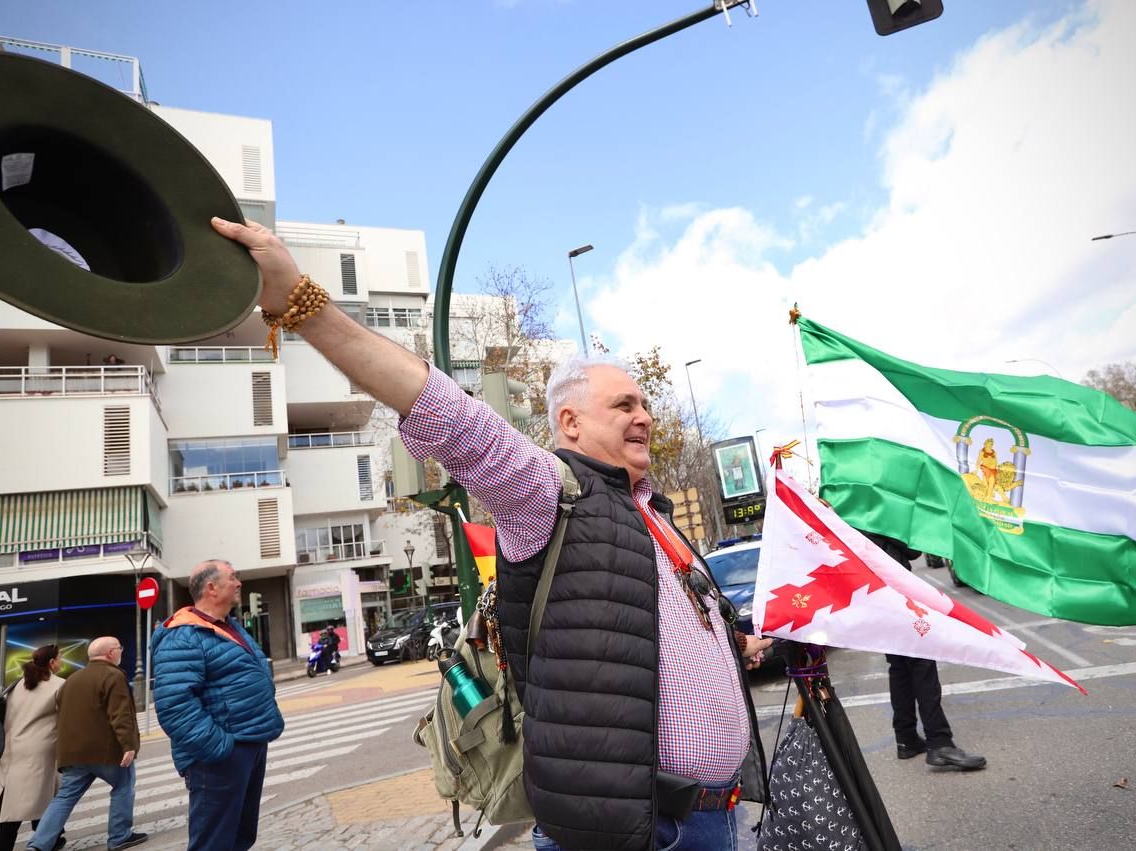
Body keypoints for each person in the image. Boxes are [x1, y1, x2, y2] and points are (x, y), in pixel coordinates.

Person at [211, 217, 773, 850]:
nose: (644, 416)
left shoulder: (654, 512)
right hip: (635, 831)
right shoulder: (547, 491)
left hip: (714, 816)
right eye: (624, 406)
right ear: (569, 421)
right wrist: (301, 305)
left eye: (644, 404)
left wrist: (731, 646)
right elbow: (444, 410)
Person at [151, 559, 284, 851]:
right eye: (232, 578)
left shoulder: (228, 625)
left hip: (250, 742)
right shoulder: (183, 635)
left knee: (239, 837)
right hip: (220, 756)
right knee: (213, 843)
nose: (238, 583)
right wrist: (221, 748)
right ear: (211, 587)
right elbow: (174, 705)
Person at [863, 533, 987, 772]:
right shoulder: (874, 503)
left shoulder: (848, 504)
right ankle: (939, 742)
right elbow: (911, 549)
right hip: (892, 588)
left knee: (899, 664)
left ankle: (906, 737)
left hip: (874, 591)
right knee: (921, 661)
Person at [26, 638, 147, 851]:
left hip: (72, 754)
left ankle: (38, 844)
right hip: (105, 751)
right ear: (110, 653)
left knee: (65, 797)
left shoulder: (71, 679)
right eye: (119, 648)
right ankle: (119, 836)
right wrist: (129, 745)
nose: (120, 652)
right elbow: (121, 714)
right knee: (123, 786)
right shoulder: (113, 675)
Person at [0, 645, 64, 851]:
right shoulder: (59, 685)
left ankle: (53, 838)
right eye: (60, 658)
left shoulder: (17, 685)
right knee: (17, 812)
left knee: (32, 800)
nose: (62, 662)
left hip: (10, 750)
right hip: (39, 753)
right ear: (52, 663)